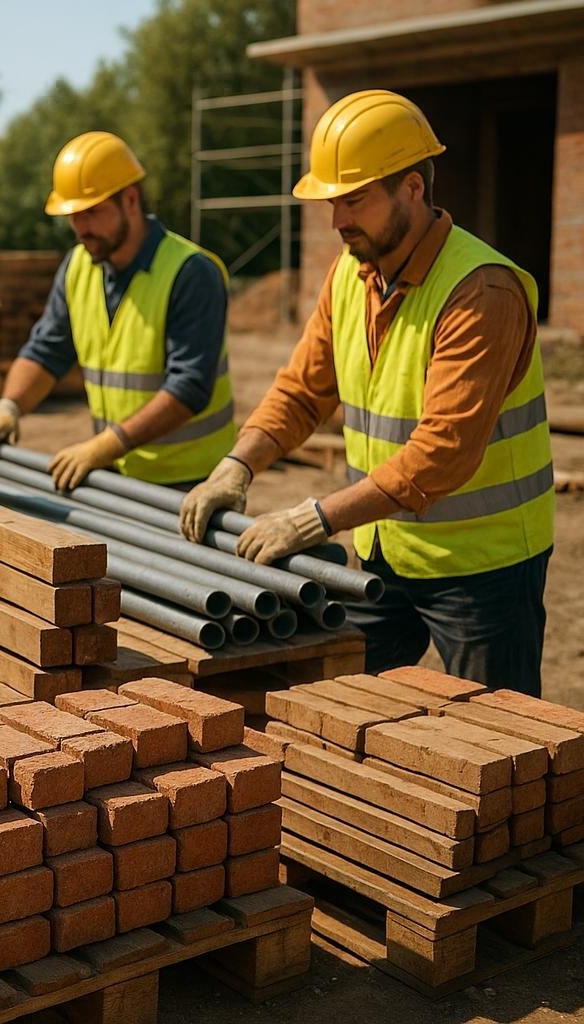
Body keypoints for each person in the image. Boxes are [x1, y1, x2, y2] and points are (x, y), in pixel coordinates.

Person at [180, 89, 552, 694]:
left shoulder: (481, 291)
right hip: (386, 547)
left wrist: (314, 518)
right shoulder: (350, 276)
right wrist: (236, 464)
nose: (338, 221)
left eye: (354, 200)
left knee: (506, 752)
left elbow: (444, 450)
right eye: (333, 202)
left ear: (412, 188)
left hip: (484, 568)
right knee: (342, 705)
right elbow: (303, 391)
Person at [0, 130, 235, 490]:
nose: (81, 229)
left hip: (191, 481)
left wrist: (104, 446)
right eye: (73, 216)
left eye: (92, 213)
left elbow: (189, 386)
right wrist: (9, 407)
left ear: (130, 200)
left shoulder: (191, 273)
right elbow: (46, 351)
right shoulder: (78, 266)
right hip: (116, 474)